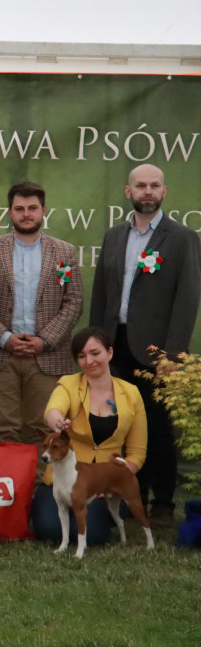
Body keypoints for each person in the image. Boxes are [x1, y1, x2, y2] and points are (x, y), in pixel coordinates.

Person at [90, 163, 201, 527]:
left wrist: (171, 356)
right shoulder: (113, 236)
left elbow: (187, 302)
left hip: (155, 352)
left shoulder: (182, 238)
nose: (148, 191)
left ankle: (163, 502)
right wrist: (96, 344)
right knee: (121, 425)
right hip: (114, 345)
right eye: (141, 185)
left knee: (157, 427)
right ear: (129, 192)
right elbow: (102, 293)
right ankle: (127, 496)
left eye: (154, 185)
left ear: (164, 192)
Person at [0, 181, 82, 455]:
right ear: (10, 212)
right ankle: (11, 495)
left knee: (42, 430)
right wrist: (4, 338)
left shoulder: (64, 252)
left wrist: (45, 340)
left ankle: (39, 496)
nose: (26, 214)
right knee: (5, 430)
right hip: (0, 354)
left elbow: (74, 301)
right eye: (19, 208)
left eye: (32, 208)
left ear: (44, 211)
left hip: (46, 355)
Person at [31, 327, 148, 544]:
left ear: (109, 353)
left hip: (104, 483)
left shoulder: (131, 393)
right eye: (82, 356)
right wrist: (57, 420)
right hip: (65, 480)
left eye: (95, 353)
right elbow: (53, 409)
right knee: (48, 530)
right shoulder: (68, 384)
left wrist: (115, 478)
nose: (89, 361)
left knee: (92, 535)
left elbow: (137, 452)